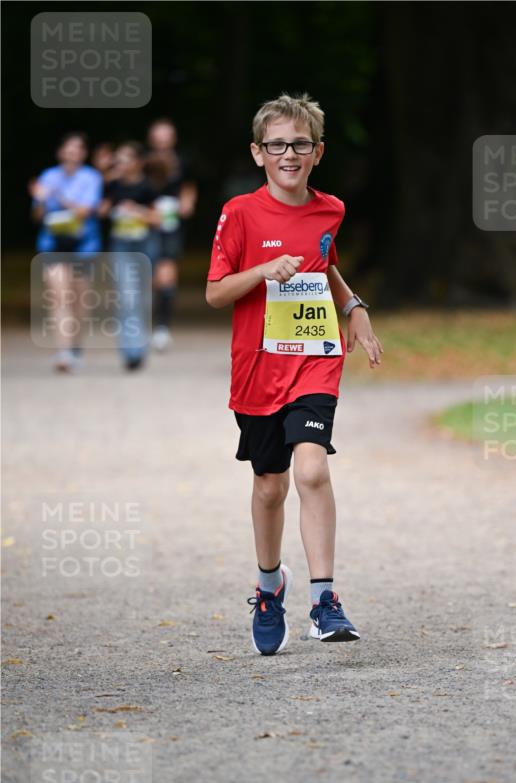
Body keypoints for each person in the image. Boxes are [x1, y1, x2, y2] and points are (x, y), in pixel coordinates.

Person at [206, 93, 383, 655]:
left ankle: (325, 601)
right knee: (269, 486)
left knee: (310, 472)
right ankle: (268, 585)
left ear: (317, 152)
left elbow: (323, 263)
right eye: (277, 144)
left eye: (300, 144)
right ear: (259, 153)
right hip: (257, 370)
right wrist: (261, 270)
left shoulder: (330, 209)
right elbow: (214, 293)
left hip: (313, 359)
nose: (289, 154)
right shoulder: (239, 212)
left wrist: (354, 308)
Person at [30, 132, 103, 372]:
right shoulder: (48, 176)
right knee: (59, 297)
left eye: (77, 149)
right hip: (53, 244)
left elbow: (84, 211)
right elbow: (37, 216)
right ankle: (63, 352)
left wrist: (55, 196)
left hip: (84, 246)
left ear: (83, 153)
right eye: (68, 149)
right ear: (60, 152)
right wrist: (40, 201)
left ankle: (75, 348)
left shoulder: (91, 178)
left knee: (79, 302)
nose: (72, 154)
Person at [98, 142, 159, 370]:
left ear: (138, 162)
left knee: (141, 298)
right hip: (120, 245)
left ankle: (139, 347)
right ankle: (130, 351)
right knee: (126, 297)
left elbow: (159, 218)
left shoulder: (148, 187)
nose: (121, 164)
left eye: (125, 159)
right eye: (118, 160)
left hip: (145, 245)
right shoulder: (112, 185)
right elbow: (100, 210)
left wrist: (137, 211)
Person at [146, 118, 198, 350]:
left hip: (170, 225)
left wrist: (187, 202)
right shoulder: (142, 161)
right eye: (158, 136)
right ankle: (140, 325)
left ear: (173, 138)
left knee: (166, 276)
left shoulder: (183, 161)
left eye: (166, 136)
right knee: (147, 277)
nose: (162, 141)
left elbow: (189, 186)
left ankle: (162, 328)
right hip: (144, 225)